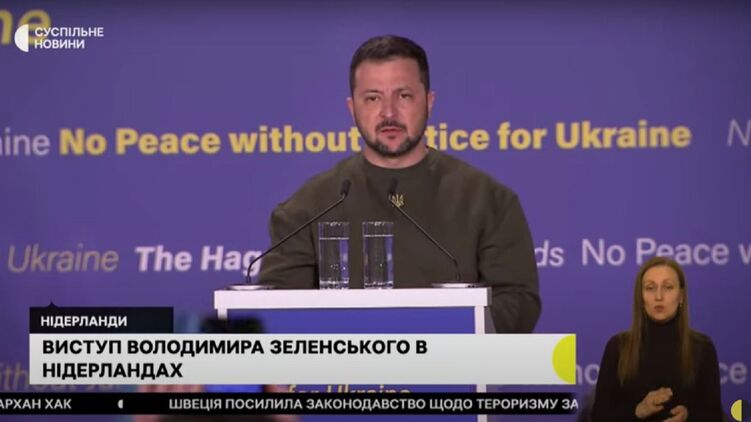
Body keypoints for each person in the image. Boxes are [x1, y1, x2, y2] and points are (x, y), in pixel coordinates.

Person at [258, 34, 540, 333]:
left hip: (454, 362)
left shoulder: (489, 200)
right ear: (352, 109)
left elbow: (517, 303)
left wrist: (431, 342)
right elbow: (275, 316)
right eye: (373, 98)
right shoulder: (306, 209)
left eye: (404, 96)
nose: (389, 113)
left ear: (429, 102)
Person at [591, 256, 724, 421]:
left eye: (668, 287)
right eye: (650, 288)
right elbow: (599, 417)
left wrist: (688, 416)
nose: (659, 296)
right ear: (640, 297)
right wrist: (637, 411)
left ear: (681, 296)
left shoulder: (702, 347)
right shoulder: (618, 347)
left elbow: (714, 416)